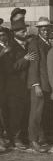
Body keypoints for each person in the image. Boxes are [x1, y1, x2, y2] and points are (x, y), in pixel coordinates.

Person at [4, 19, 37, 149]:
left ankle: (23, 137)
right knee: (16, 114)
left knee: (24, 112)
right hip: (14, 87)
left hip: (25, 86)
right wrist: (25, 59)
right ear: (15, 33)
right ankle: (16, 139)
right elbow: (9, 68)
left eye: (25, 30)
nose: (25, 33)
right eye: (22, 31)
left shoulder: (26, 45)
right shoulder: (10, 48)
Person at [27, 19, 53, 153]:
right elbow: (34, 65)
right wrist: (36, 84)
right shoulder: (34, 43)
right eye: (43, 29)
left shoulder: (48, 43)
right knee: (36, 113)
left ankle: (41, 137)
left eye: (48, 29)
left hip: (47, 83)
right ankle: (33, 140)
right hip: (39, 84)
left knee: (42, 112)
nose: (46, 31)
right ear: (39, 30)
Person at [0, 25, 11, 152]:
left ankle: (5, 136)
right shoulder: (3, 50)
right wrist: (2, 54)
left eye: (3, 34)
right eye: (1, 35)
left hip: (7, 85)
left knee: (5, 111)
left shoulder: (8, 46)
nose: (3, 37)